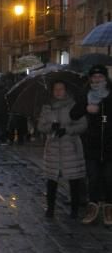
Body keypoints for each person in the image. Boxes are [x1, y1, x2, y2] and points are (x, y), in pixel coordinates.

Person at [37, 80, 87, 219]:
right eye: (56, 89)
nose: (58, 91)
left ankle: (74, 210)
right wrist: (50, 128)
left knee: (74, 181)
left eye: (61, 89)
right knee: (51, 181)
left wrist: (67, 130)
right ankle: (50, 209)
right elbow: (41, 126)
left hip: (71, 148)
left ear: (66, 90)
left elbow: (82, 125)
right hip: (53, 148)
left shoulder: (73, 106)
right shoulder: (47, 107)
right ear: (52, 91)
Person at [70, 64, 112, 225]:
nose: (97, 80)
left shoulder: (110, 95)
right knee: (93, 177)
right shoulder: (84, 94)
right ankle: (93, 206)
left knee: (109, 178)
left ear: (105, 78)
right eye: (94, 77)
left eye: (100, 77)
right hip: (91, 144)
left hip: (109, 144)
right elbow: (74, 114)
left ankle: (109, 207)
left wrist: (101, 107)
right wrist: (86, 108)